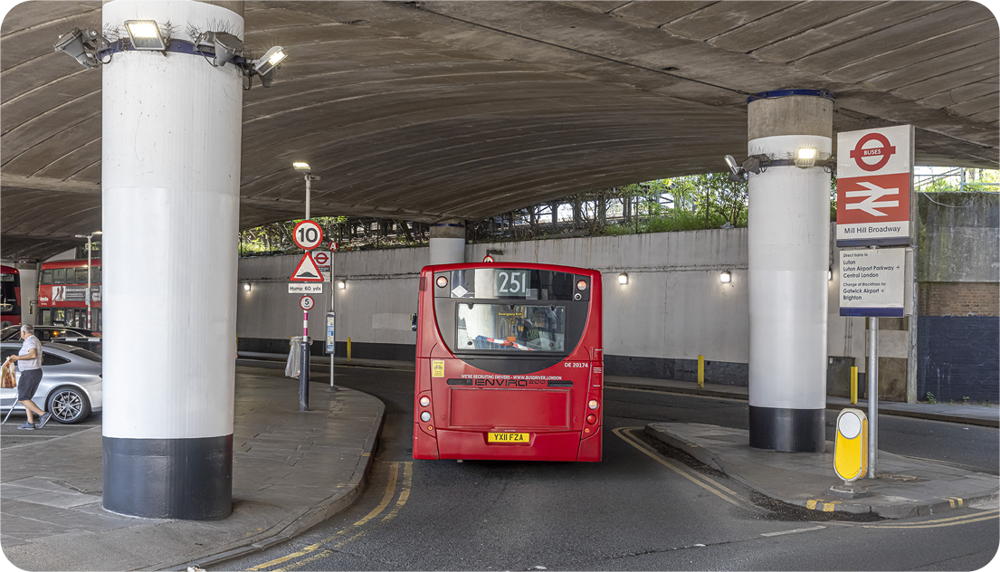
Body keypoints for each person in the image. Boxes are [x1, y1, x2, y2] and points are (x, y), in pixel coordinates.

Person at [3, 324, 51, 430]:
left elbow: (33, 355)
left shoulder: (29, 341)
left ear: (23, 332)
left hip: (30, 373)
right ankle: (30, 422)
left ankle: (43, 414)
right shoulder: (35, 340)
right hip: (33, 372)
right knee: (27, 398)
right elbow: (40, 358)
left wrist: (17, 358)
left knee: (22, 398)